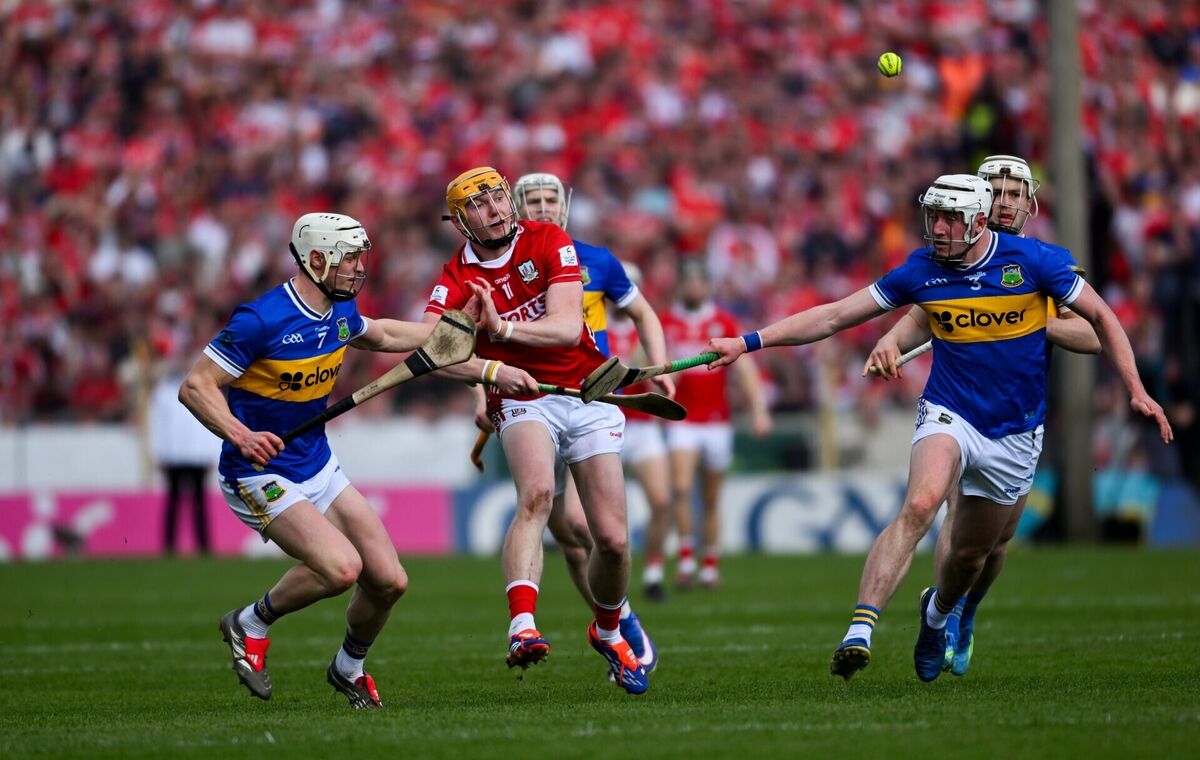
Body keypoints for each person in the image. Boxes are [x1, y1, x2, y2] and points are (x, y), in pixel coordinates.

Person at [705, 174, 1173, 683]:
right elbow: (836, 316)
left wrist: (1136, 388)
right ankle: (859, 630)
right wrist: (749, 342)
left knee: (971, 556)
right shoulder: (922, 270)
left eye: (950, 219)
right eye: (935, 217)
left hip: (1015, 431)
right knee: (922, 503)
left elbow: (1102, 319)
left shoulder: (1036, 261)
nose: (939, 228)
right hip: (950, 411)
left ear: (977, 221)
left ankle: (939, 614)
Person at [179, 212, 475, 708]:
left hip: (317, 464)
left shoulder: (339, 310)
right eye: (349, 259)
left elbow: (378, 334)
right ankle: (249, 622)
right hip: (258, 472)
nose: (360, 269)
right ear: (315, 260)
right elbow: (196, 386)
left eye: (361, 258)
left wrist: (455, 332)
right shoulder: (261, 320)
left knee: (389, 581)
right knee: (340, 570)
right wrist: (242, 434)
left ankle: (348, 668)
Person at [863, 155, 1100, 677]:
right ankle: (940, 616)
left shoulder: (1043, 263)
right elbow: (921, 313)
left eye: (1015, 193)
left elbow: (1093, 334)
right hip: (957, 408)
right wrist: (888, 339)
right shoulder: (952, 260)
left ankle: (964, 609)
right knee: (940, 504)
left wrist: (1019, 315)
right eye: (996, 191)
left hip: (1018, 415)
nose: (1004, 201)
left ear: (1028, 203)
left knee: (994, 544)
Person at [423, 167, 650, 694]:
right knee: (537, 496)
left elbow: (568, 327)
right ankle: (522, 625)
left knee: (612, 541)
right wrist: (490, 371)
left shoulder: (549, 239)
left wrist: (501, 330)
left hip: (585, 389)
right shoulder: (453, 280)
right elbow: (435, 353)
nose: (497, 210)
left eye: (499, 199)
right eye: (480, 206)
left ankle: (608, 628)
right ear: (461, 220)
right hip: (523, 397)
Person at [509, 173, 668, 672]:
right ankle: (611, 617)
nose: (542, 206)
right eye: (531, 199)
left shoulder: (596, 260)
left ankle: (613, 618)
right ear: (516, 206)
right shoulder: (504, 261)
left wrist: (659, 368)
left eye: (550, 198)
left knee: (582, 525)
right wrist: (479, 390)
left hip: (585, 393)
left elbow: (644, 313)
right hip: (528, 397)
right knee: (569, 538)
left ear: (566, 205)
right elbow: (478, 338)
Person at [665, 260, 771, 590]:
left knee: (711, 497)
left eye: (700, 281)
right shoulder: (667, 322)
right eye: (689, 282)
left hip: (716, 421)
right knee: (681, 488)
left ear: (707, 286)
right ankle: (685, 559)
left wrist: (759, 410)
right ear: (682, 286)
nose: (694, 288)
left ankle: (709, 565)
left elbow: (745, 369)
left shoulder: (722, 321)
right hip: (682, 418)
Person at [604, 262, 675, 602]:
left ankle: (654, 573)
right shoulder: (593, 323)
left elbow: (666, 383)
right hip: (603, 424)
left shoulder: (646, 331)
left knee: (661, 501)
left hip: (642, 426)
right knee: (600, 517)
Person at [149, 353, 221, 555]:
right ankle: (169, 546)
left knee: (200, 503)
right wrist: (159, 452)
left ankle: (204, 546)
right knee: (173, 502)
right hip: (174, 454)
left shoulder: (206, 389)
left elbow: (214, 422)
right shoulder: (164, 390)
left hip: (197, 454)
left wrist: (212, 453)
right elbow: (157, 425)